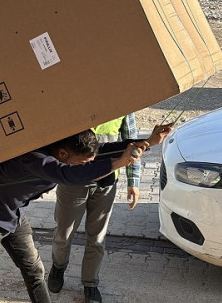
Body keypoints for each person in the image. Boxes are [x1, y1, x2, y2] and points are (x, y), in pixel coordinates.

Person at [0, 130, 149, 303]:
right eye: (81, 164)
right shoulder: (35, 156)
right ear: (63, 154)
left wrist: (148, 141)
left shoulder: (62, 145)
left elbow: (101, 150)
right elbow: (69, 175)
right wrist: (119, 163)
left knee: (35, 271)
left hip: (14, 214)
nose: (84, 167)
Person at [47, 118, 172, 303]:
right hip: (73, 182)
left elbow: (130, 143)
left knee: (97, 238)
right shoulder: (75, 100)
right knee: (63, 234)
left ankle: (90, 283)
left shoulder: (121, 105)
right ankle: (58, 267)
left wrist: (133, 181)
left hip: (105, 184)